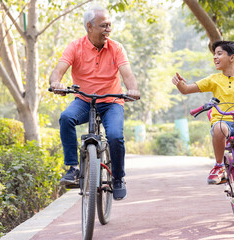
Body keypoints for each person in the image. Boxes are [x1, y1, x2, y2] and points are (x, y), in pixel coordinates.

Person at [49, 5, 140, 200]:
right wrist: (55, 83)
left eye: (109, 25)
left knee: (115, 136)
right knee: (66, 118)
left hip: (112, 102)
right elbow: (58, 69)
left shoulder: (116, 48)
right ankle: (73, 168)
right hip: (84, 100)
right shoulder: (75, 46)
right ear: (89, 27)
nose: (108, 29)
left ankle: (118, 177)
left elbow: (128, 75)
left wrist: (133, 89)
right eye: (104, 26)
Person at [171, 40, 234, 211]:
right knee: (219, 128)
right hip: (222, 120)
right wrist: (179, 83)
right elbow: (186, 89)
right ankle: (219, 166)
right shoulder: (214, 79)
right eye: (214, 54)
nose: (215, 57)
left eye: (219, 53)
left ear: (232, 57)